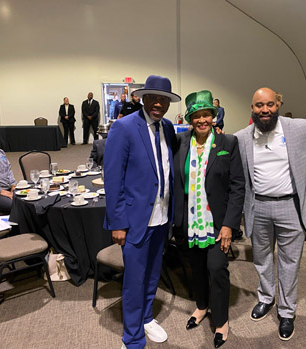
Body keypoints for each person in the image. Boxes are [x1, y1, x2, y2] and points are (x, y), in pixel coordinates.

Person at [234, 87, 306, 341]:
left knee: (289, 263)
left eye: (270, 104)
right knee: (261, 259)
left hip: (290, 206)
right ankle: (266, 298)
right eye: (259, 105)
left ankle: (286, 311)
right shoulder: (241, 137)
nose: (265, 110)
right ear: (252, 109)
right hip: (258, 206)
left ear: (278, 104)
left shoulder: (300, 128)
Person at [103, 75, 181, 349]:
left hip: (162, 217)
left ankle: (147, 318)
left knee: (152, 273)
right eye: (153, 97)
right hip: (136, 220)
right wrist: (117, 222)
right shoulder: (124, 128)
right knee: (134, 280)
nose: (158, 103)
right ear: (143, 98)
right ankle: (133, 338)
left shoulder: (168, 127)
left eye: (164, 99)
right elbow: (112, 179)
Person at [174, 90, 245, 348]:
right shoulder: (180, 142)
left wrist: (229, 224)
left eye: (206, 115)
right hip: (190, 222)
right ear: (190, 119)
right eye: (196, 116)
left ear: (213, 117)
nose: (202, 120)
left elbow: (238, 186)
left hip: (217, 223)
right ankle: (202, 306)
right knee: (197, 266)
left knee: (216, 268)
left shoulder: (228, 143)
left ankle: (222, 320)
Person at [0, 128, 16, 214]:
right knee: (16, 205)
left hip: (8, 188)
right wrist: (1, 191)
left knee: (30, 198)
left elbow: (8, 170)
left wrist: (13, 186)